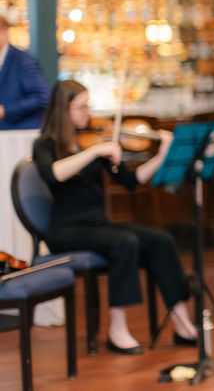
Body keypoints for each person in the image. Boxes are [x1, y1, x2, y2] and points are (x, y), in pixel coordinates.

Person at [32, 80, 197, 355]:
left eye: (89, 105)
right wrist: (94, 151)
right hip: (65, 229)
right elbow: (54, 174)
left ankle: (180, 318)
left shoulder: (95, 141)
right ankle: (117, 329)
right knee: (124, 243)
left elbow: (132, 180)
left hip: (98, 225)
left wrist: (163, 156)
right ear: (64, 109)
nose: (89, 112)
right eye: (82, 106)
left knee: (161, 239)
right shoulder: (45, 144)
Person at [0, 17, 49, 130]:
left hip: (19, 134)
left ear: (4, 32)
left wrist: (6, 110)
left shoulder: (23, 60)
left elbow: (43, 97)